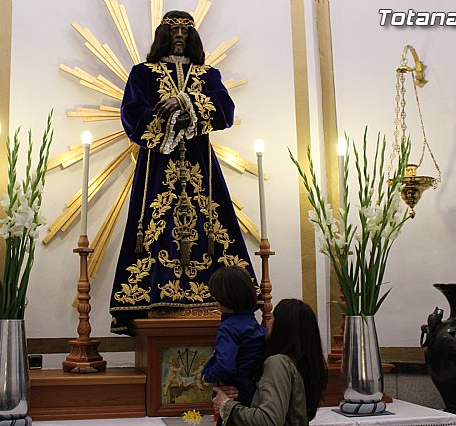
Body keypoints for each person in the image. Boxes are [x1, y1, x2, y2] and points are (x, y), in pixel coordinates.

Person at [109, 10, 259, 334]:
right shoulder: (143, 74)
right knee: (153, 227)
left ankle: (218, 298)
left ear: (192, 37)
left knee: (212, 226)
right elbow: (133, 115)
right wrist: (167, 120)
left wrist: (185, 103)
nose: (179, 36)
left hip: (199, 167)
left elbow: (225, 110)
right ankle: (154, 299)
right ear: (164, 35)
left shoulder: (208, 75)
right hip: (158, 168)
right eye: (174, 30)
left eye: (185, 31)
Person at [212, 299, 328, 426]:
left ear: (282, 327)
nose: (267, 323)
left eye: (273, 318)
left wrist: (226, 405)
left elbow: (269, 420)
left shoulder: (278, 363)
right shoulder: (300, 364)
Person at [202, 266, 266, 425]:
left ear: (225, 299)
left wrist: (207, 376)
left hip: (235, 390)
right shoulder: (252, 322)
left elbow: (225, 365)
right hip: (252, 387)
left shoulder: (228, 327)